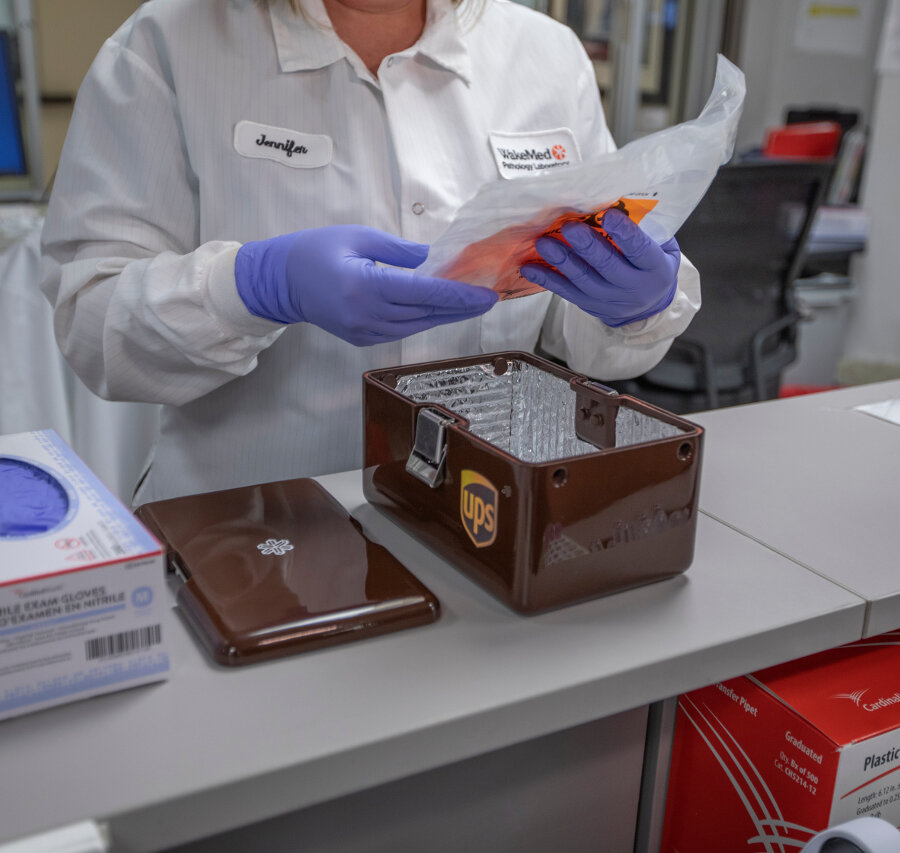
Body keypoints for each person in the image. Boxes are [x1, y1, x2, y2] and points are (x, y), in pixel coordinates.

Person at [40, 0, 700, 504]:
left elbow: (571, 322)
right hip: (245, 525)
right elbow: (92, 322)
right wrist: (252, 287)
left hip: (481, 517)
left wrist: (635, 305)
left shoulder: (545, 55)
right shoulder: (166, 44)